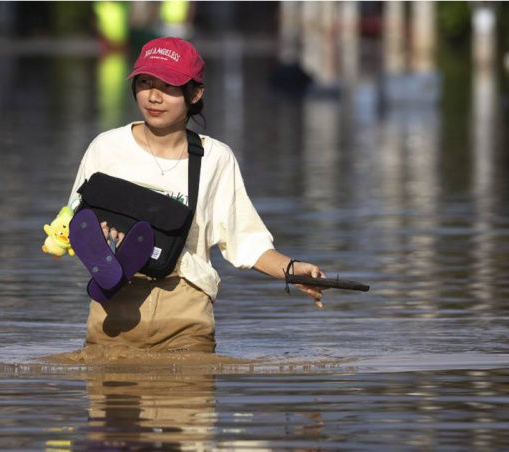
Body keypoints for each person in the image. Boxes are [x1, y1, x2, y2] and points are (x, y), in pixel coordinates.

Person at [66, 37, 326, 353]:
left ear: (195, 93)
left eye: (169, 86)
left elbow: (246, 242)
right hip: (111, 319)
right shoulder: (106, 148)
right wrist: (101, 239)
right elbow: (75, 223)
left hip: (186, 324)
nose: (153, 96)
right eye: (145, 82)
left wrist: (292, 270)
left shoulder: (215, 158)